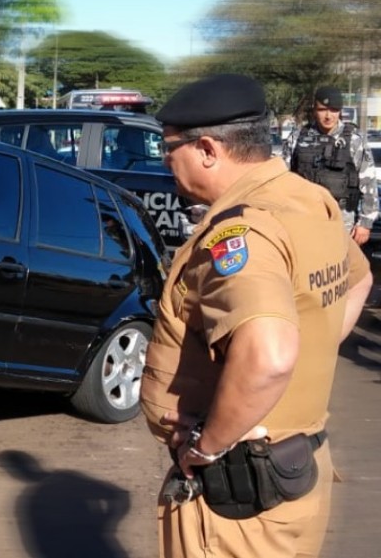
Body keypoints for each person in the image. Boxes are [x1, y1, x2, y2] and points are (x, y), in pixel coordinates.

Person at [139, 73, 373, 558]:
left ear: (207, 149)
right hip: (294, 466)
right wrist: (303, 354)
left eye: (169, 149)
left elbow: (268, 358)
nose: (166, 162)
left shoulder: (243, 234)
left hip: (238, 493)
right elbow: (359, 281)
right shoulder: (308, 198)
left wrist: (208, 446)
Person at [284, 86, 378, 245]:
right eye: (322, 109)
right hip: (303, 217)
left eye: (334, 110)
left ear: (340, 111)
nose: (328, 116)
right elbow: (282, 178)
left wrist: (365, 223)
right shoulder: (298, 137)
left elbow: (368, 182)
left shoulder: (354, 140)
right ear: (315, 110)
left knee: (340, 267)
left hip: (342, 220)